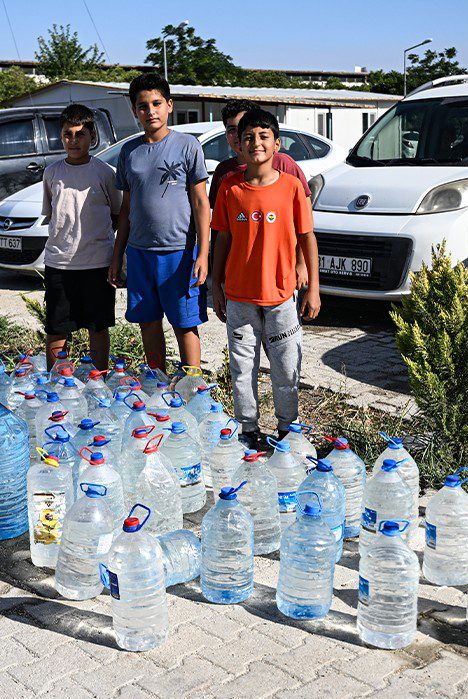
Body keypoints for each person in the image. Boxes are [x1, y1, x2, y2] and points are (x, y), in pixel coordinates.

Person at [209, 108, 320, 450]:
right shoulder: (230, 188)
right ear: (238, 146)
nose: (255, 143)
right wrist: (216, 283)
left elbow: (307, 238)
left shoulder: (291, 188)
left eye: (263, 136)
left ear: (277, 144)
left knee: (286, 370)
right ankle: (248, 430)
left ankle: (288, 430)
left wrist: (313, 287)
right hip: (240, 297)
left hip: (281, 297)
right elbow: (222, 239)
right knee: (243, 369)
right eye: (247, 137)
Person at [107, 73, 211, 375]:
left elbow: (201, 203)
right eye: (142, 106)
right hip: (140, 254)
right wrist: (117, 256)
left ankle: (192, 389)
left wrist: (203, 254)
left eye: (156, 103)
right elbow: (126, 209)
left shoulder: (187, 146)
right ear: (134, 111)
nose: (150, 111)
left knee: (184, 324)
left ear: (169, 105)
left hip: (180, 253)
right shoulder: (129, 151)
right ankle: (158, 383)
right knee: (148, 322)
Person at [41, 104, 122, 369]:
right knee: (56, 328)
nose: (73, 140)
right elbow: (52, 215)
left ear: (92, 137)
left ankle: (100, 378)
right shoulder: (52, 173)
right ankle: (55, 382)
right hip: (59, 264)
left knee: (97, 328)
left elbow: (117, 215)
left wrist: (112, 257)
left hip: (97, 264)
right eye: (67, 134)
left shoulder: (105, 173)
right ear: (60, 136)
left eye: (80, 134)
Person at [207, 99, 312, 290]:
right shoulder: (224, 173)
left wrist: (301, 264)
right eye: (232, 130)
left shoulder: (284, 165)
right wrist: (217, 278)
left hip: (280, 277)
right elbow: (221, 232)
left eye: (243, 127)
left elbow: (304, 224)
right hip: (239, 278)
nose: (238, 135)